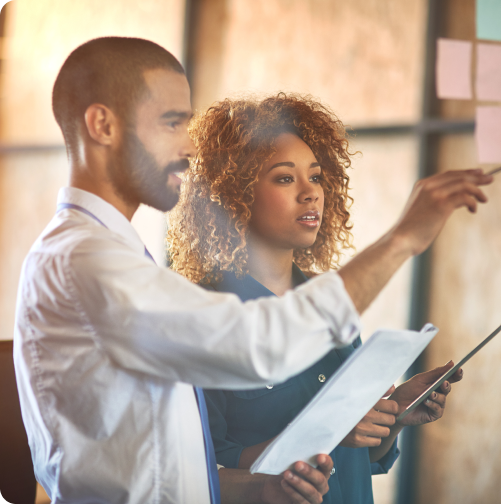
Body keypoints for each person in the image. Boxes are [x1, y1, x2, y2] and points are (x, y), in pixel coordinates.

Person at [13, 37, 492, 504]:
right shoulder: (85, 260)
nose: (189, 147)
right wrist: (402, 238)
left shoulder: (118, 255)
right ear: (102, 124)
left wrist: (269, 488)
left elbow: (183, 469)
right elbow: (257, 346)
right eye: (171, 122)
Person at [167, 94, 464, 503]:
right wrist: (334, 429)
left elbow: (364, 453)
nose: (311, 194)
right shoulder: (205, 314)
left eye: (317, 177)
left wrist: (392, 415)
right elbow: (204, 472)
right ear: (233, 193)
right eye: (285, 178)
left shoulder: (333, 300)